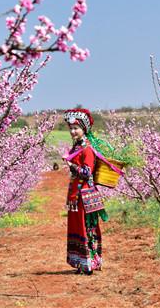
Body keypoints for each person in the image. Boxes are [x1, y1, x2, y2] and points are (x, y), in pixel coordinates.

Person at [62, 108, 109, 275]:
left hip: (85, 195)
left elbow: (87, 172)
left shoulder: (87, 149)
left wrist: (71, 165)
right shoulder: (76, 147)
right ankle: (81, 262)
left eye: (76, 128)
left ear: (84, 129)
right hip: (76, 194)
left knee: (86, 227)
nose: (73, 131)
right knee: (76, 227)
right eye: (71, 128)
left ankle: (90, 262)